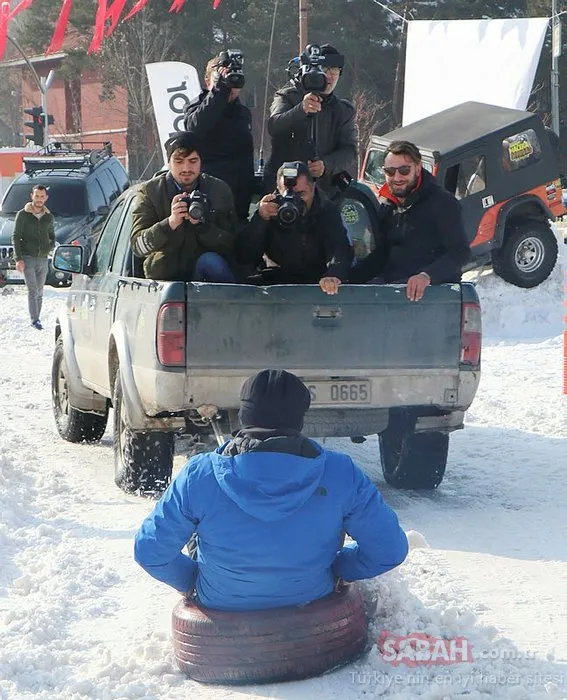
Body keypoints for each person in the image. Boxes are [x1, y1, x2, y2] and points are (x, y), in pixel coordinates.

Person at [134, 369, 408, 611]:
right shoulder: (339, 472)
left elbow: (150, 550)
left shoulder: (200, 474)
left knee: (204, 527)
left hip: (221, 604)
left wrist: (192, 580)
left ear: (244, 416)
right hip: (311, 600)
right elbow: (389, 550)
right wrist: (339, 569)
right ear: (299, 419)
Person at [337, 140, 471, 301]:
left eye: (404, 170)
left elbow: (460, 252)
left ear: (418, 167)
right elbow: (383, 254)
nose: (397, 177)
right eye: (390, 171)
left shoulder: (443, 203)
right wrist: (346, 279)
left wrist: (426, 276)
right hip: (394, 293)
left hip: (435, 294)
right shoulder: (388, 206)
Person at [131, 132, 238, 282]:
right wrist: (169, 224)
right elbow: (138, 247)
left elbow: (231, 243)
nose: (186, 168)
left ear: (201, 161)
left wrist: (203, 226)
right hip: (165, 280)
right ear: (169, 162)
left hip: (209, 281)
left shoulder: (218, 190)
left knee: (211, 261)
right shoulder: (150, 192)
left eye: (193, 161)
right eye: (179, 161)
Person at [237, 161, 353, 290]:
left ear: (313, 188)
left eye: (301, 194)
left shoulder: (326, 210)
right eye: (288, 195)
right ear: (278, 189)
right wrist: (260, 219)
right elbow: (245, 257)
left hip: (316, 282)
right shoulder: (270, 208)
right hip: (277, 281)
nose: (294, 201)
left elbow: (339, 248)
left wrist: (334, 274)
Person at [263, 44, 357, 197]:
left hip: (323, 192)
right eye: (325, 70)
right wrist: (301, 110)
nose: (330, 76)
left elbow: (349, 151)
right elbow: (274, 126)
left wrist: (326, 165)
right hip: (284, 187)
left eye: (335, 71)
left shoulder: (343, 110)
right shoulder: (287, 96)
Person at [183, 53, 254, 221]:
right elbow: (195, 128)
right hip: (210, 202)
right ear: (208, 81)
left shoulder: (243, 113)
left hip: (239, 202)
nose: (230, 84)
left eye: (233, 77)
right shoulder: (196, 106)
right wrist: (219, 91)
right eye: (223, 77)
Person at [12, 184, 55, 330]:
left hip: (43, 258)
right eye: (37, 196)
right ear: (32, 196)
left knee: (40, 290)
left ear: (46, 198)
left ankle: (37, 317)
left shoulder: (48, 216)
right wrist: (18, 258)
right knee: (33, 290)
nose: (39, 199)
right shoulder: (23, 215)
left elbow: (51, 235)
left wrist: (49, 247)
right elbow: (16, 236)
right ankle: (35, 320)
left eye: (42, 196)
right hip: (27, 257)